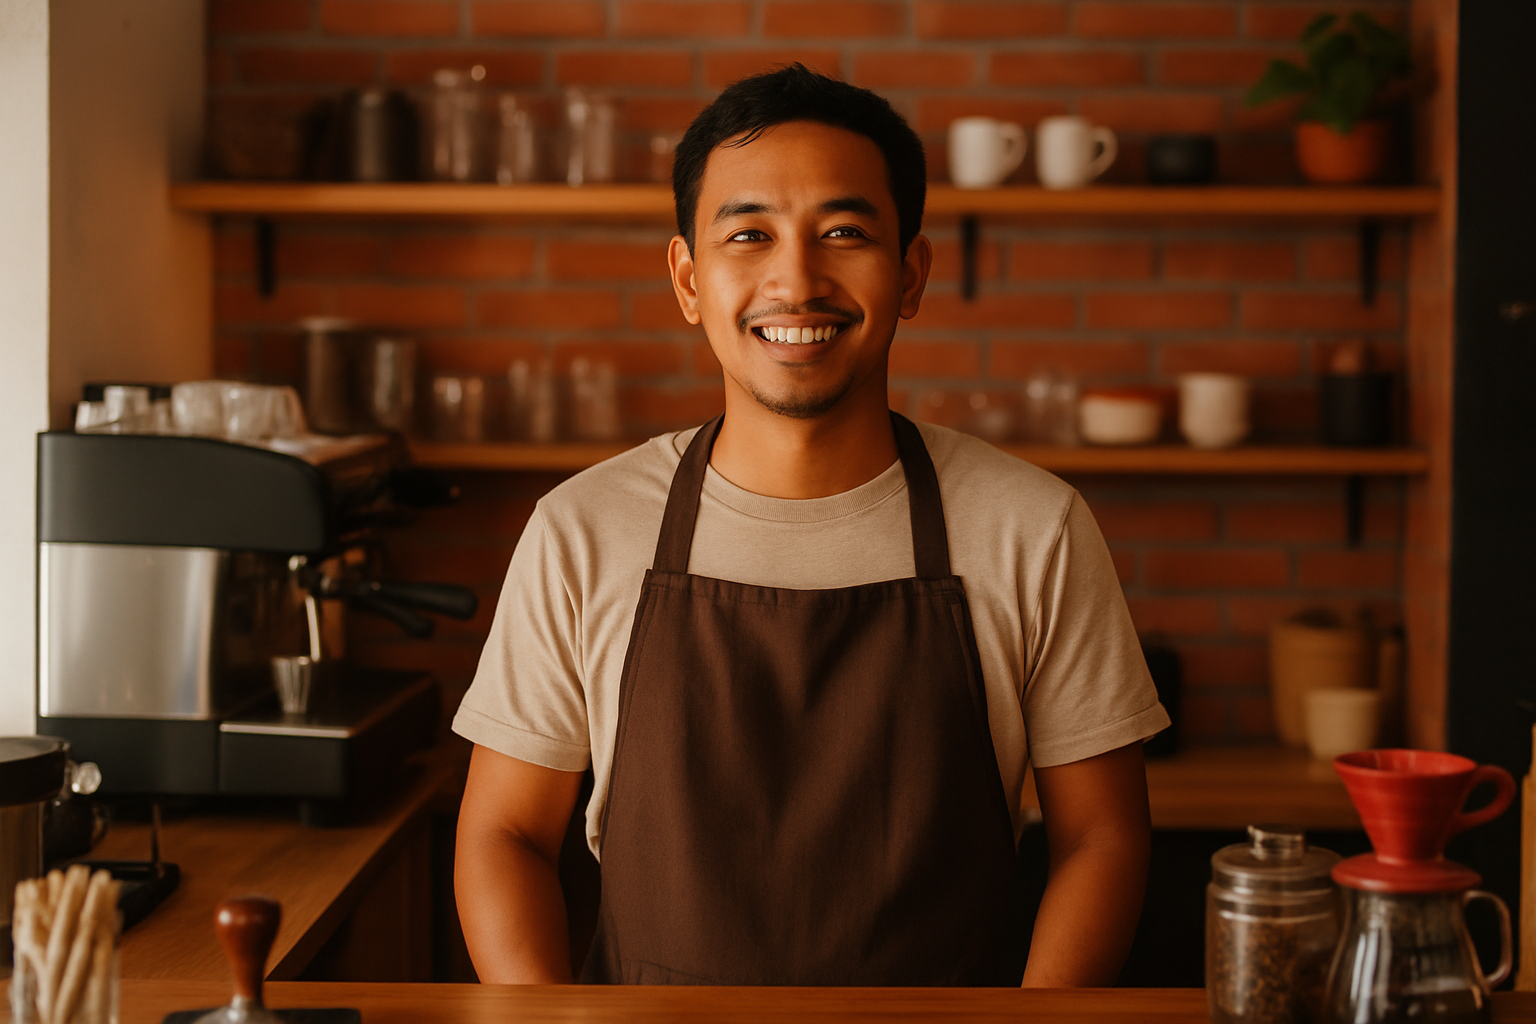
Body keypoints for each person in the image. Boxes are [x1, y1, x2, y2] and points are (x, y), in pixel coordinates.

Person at [452, 64, 1170, 987]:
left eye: (844, 232)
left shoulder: (1035, 527)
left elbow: (1103, 837)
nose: (796, 279)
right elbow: (504, 833)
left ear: (910, 273)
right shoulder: (580, 531)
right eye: (749, 234)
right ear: (688, 280)